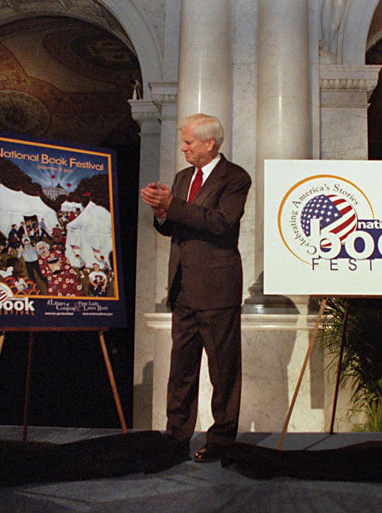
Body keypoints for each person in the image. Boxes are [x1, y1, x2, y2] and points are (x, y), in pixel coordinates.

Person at [140, 113, 251, 463]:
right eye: (183, 141)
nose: (184, 148)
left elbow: (219, 223)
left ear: (210, 144)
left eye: (189, 142)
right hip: (183, 288)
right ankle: (176, 437)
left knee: (223, 371)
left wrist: (173, 205)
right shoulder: (183, 177)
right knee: (181, 371)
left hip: (217, 288)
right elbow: (173, 227)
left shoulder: (235, 178)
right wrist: (161, 212)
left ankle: (221, 442)